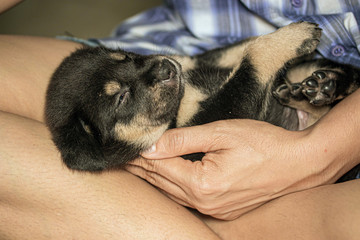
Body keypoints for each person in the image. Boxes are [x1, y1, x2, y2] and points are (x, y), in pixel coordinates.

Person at [0, 1, 359, 240]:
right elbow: (220, 76)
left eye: (127, 59)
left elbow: (223, 72)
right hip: (201, 41)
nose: (156, 66)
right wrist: (261, 55)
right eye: (123, 95)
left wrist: (318, 153)